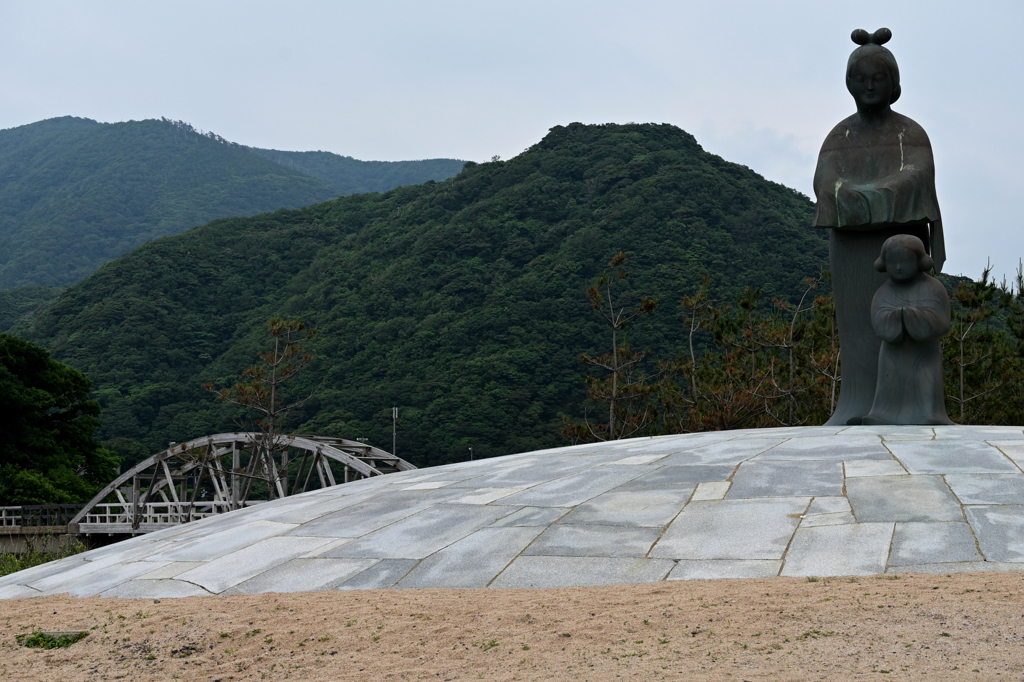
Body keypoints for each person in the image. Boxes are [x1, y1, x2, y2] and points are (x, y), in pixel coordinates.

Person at [812, 28, 945, 425]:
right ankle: (856, 404)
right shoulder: (840, 135)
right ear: (849, 84)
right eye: (860, 79)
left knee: (907, 334)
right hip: (851, 248)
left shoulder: (911, 133)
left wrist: (864, 194)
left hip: (901, 245)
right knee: (858, 332)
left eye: (878, 78)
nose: (869, 86)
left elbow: (917, 177)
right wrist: (858, 195)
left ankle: (910, 406)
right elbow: (826, 183)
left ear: (894, 83)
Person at [862, 235, 952, 425]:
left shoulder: (934, 288)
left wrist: (911, 315)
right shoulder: (883, 292)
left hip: (925, 353)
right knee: (889, 384)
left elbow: (942, 321)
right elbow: (878, 321)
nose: (898, 267)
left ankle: (928, 413)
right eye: (893, 262)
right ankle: (883, 414)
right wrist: (897, 316)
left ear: (918, 261)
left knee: (926, 383)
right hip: (892, 353)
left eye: (904, 261)